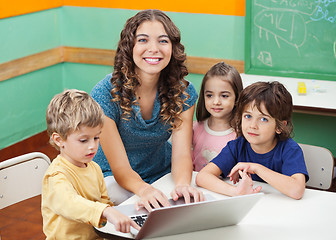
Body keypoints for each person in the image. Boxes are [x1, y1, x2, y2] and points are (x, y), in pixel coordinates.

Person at [90, 9, 204, 210]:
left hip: (162, 172)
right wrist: (144, 190)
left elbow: (181, 155)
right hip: (113, 178)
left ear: (173, 48)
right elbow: (120, 168)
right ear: (129, 46)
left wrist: (183, 185)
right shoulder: (104, 93)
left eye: (163, 41)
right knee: (142, 211)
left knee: (184, 205)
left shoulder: (184, 92)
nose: (154, 49)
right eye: (143, 40)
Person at [41, 89, 140, 240]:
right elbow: (70, 204)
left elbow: (104, 203)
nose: (92, 146)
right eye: (83, 140)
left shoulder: (94, 168)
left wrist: (119, 214)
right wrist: (106, 211)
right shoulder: (55, 176)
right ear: (59, 140)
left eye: (96, 137)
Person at [196, 81, 309, 200]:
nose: (253, 126)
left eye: (263, 119)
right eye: (248, 116)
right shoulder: (237, 146)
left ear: (279, 126)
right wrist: (236, 192)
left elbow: (297, 190)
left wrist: (256, 168)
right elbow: (202, 177)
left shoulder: (290, 150)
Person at [192, 62, 243, 171]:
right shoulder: (194, 129)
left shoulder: (242, 134)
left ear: (237, 98)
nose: (216, 102)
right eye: (209, 95)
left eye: (224, 96)